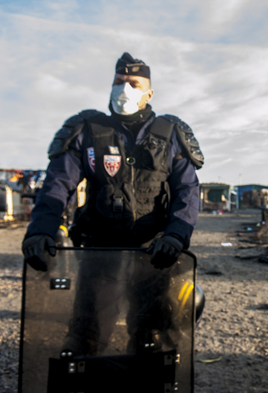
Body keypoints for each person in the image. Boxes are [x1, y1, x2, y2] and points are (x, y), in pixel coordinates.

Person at [21, 52, 203, 355]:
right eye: (119, 81)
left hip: (154, 253)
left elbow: (187, 191)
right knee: (84, 338)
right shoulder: (87, 130)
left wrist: (176, 235)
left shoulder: (171, 134)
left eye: (134, 83)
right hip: (100, 252)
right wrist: (41, 229)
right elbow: (58, 184)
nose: (125, 89)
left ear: (149, 93)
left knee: (151, 338)